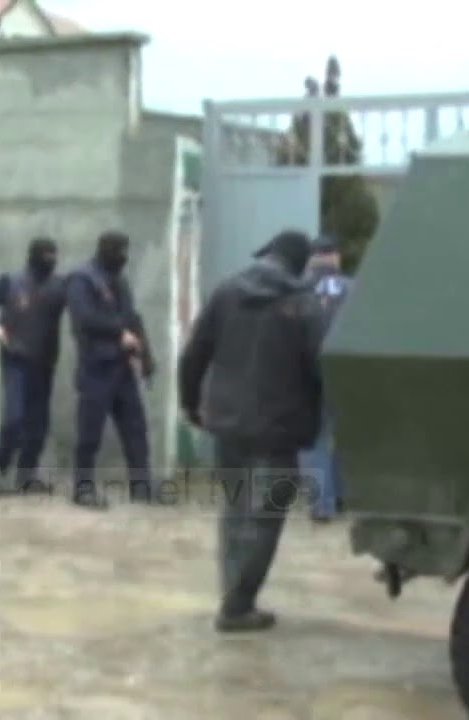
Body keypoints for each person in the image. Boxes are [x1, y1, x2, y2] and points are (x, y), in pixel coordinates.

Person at [178, 229, 323, 632]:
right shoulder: (304, 305)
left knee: (235, 512)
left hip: (227, 425)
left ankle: (233, 597)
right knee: (265, 518)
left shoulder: (227, 292)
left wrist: (190, 403)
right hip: (278, 430)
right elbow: (322, 367)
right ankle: (238, 605)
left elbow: (194, 354)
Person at [66, 230, 158, 509]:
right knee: (89, 433)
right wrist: (119, 333)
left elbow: (133, 317)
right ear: (103, 249)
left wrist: (146, 356)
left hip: (122, 368)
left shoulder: (119, 279)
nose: (123, 257)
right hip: (96, 367)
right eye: (119, 251)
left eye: (126, 250)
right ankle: (82, 488)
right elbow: (84, 318)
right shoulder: (82, 279)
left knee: (135, 429)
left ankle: (142, 487)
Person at [0, 237, 66, 495]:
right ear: (32, 256)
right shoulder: (10, 281)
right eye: (45, 255)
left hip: (45, 361)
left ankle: (26, 476)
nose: (50, 260)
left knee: (38, 424)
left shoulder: (59, 286)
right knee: (14, 419)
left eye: (54, 255)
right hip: (15, 358)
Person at [301, 234, 350, 523]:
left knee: (313, 439)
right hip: (345, 370)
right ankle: (342, 496)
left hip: (307, 371)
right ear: (336, 257)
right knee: (345, 436)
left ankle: (321, 504)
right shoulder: (353, 288)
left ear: (311, 259)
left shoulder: (297, 288)